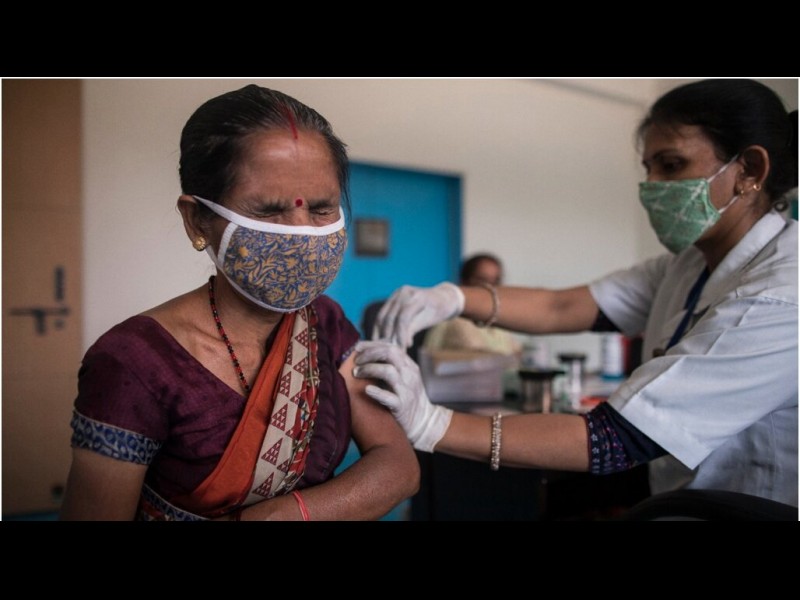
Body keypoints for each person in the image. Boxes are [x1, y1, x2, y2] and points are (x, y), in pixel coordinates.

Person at [356, 79, 798, 507]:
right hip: (681, 495)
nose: (652, 187)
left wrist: (433, 424)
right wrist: (454, 297)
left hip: (747, 504)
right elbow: (560, 307)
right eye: (648, 169)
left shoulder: (781, 293)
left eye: (671, 165)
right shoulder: (688, 264)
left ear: (749, 171)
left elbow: (615, 438)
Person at [60, 85, 419, 521]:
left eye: (322, 208)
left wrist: (285, 516)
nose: (302, 233)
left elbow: (398, 466)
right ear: (197, 220)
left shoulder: (324, 322)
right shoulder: (135, 361)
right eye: (268, 210)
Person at [422, 253, 522, 359]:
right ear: (465, 281)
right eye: (483, 280)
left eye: (496, 281)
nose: (491, 287)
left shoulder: (500, 319)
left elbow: (516, 353)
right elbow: (427, 358)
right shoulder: (450, 318)